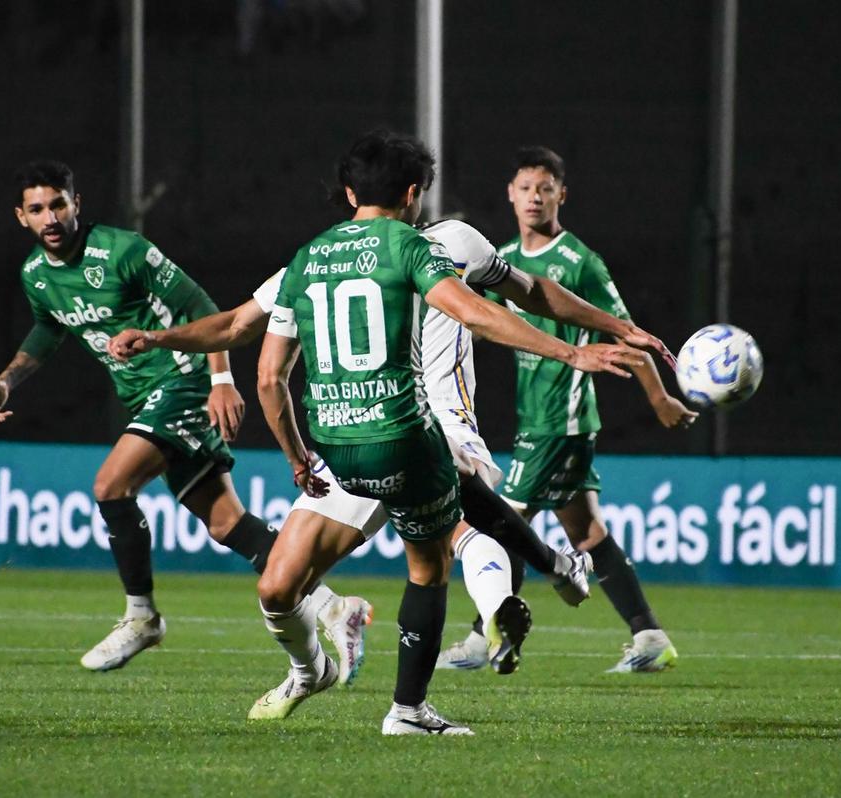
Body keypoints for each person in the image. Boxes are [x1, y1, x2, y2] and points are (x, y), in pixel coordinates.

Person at [108, 206, 672, 710]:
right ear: (410, 191)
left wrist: (611, 329)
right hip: (359, 430)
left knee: (447, 537)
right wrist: (159, 339)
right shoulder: (319, 260)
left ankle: (481, 631)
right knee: (278, 586)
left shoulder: (450, 242)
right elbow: (234, 327)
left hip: (434, 426)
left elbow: (527, 294)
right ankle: (312, 669)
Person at [249, 130, 645, 734]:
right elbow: (477, 309)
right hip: (402, 435)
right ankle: (407, 706)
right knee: (430, 559)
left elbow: (271, 379)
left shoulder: (305, 257)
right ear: (413, 193)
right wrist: (573, 355)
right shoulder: (413, 245)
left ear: (351, 191)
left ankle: (549, 569)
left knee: (278, 588)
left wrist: (297, 456)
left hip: (333, 447)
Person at [0, 160, 365, 677]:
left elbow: (200, 305)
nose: (50, 216)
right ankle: (336, 608)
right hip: (146, 399)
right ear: (21, 217)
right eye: (37, 209)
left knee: (111, 485)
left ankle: (141, 616)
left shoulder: (123, 251)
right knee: (229, 525)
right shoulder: (36, 276)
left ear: (77, 204)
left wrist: (222, 380)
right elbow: (47, 331)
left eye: (58, 204)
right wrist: (7, 380)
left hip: (182, 382)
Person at [438, 146, 697, 674]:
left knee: (502, 522)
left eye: (545, 188)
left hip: (563, 418)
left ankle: (479, 634)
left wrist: (659, 396)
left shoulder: (581, 263)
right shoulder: (502, 256)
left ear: (561, 195)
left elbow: (622, 333)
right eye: (526, 187)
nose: (535, 197)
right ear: (510, 194)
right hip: (535, 415)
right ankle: (649, 635)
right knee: (587, 533)